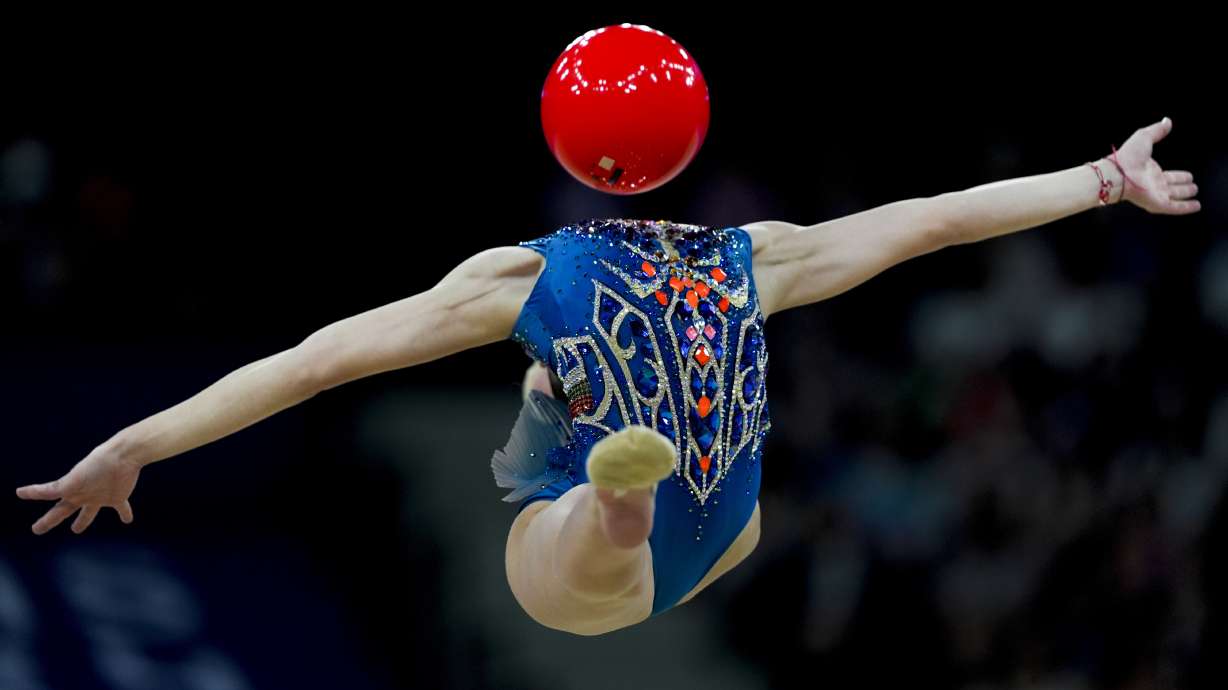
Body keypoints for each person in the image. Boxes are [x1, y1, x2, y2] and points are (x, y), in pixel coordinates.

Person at [16, 118, 1200, 636]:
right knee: (564, 435)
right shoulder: (759, 254)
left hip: (601, 553)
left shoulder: (519, 276)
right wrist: (1101, 177)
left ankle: (606, 498)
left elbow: (314, 362)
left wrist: (139, 443)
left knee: (555, 510)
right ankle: (609, 485)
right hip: (727, 521)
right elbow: (937, 221)